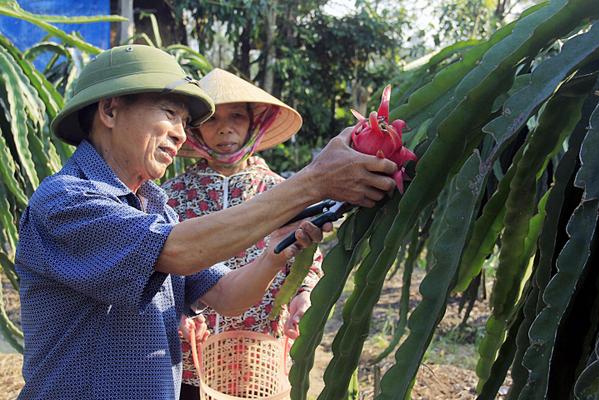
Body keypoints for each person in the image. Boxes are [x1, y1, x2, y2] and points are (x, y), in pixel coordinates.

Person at [15, 45, 397, 399]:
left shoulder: (156, 210)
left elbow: (228, 296)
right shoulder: (66, 201)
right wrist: (312, 181)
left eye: (184, 121)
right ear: (111, 111)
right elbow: (176, 250)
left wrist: (275, 252)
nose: (182, 134)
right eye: (169, 113)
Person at [162, 68, 323, 398]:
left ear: (254, 123)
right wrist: (176, 311)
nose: (224, 128)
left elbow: (308, 260)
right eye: (212, 119)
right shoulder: (171, 195)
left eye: (236, 116)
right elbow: (159, 266)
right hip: (189, 354)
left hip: (258, 354)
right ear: (195, 130)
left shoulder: (282, 193)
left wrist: (304, 294)